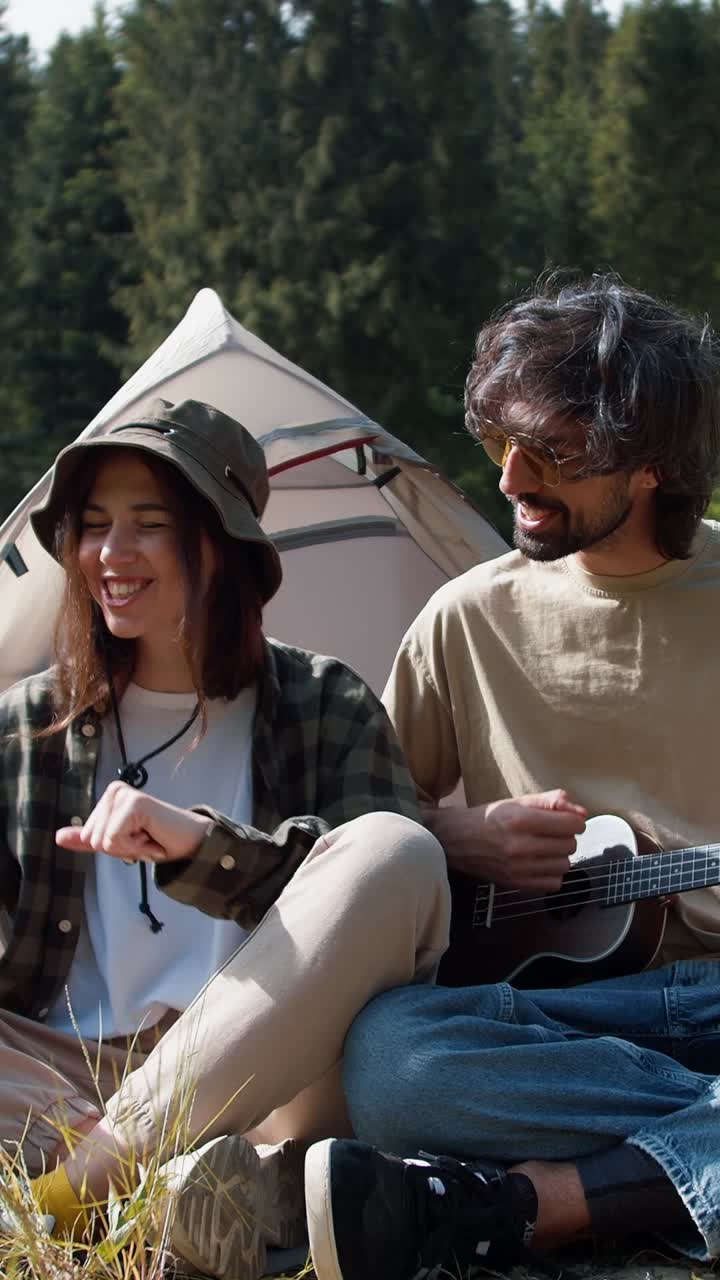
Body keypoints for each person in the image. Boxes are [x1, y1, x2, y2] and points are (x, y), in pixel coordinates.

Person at [301, 275, 720, 1280]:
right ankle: (686, 1155)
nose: (511, 480)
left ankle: (531, 1203)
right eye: (499, 445)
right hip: (548, 1020)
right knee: (393, 1060)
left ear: (655, 461)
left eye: (555, 453)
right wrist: (456, 832)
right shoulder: (464, 617)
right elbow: (353, 834)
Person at [0, 397, 450, 1279]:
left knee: (398, 852)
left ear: (221, 543)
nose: (110, 556)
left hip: (264, 1080)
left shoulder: (325, 703)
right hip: (56, 1076)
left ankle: (71, 1195)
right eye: (91, 527)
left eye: (148, 526)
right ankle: (191, 1198)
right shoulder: (22, 728)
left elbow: (376, 924)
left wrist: (203, 849)